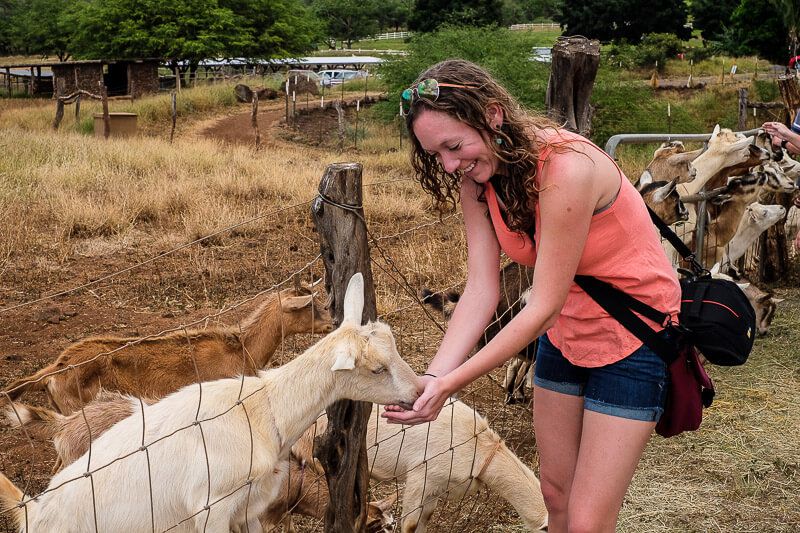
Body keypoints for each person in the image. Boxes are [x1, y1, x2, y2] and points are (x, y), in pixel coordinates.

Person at [382, 59, 681, 532]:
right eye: (435, 153)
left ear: (494, 115)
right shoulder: (476, 182)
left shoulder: (566, 170)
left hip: (634, 339)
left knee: (587, 521)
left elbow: (541, 307)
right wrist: (430, 379)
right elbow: (481, 290)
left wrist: (450, 385)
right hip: (567, 336)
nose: (450, 165)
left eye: (454, 146)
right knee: (554, 495)